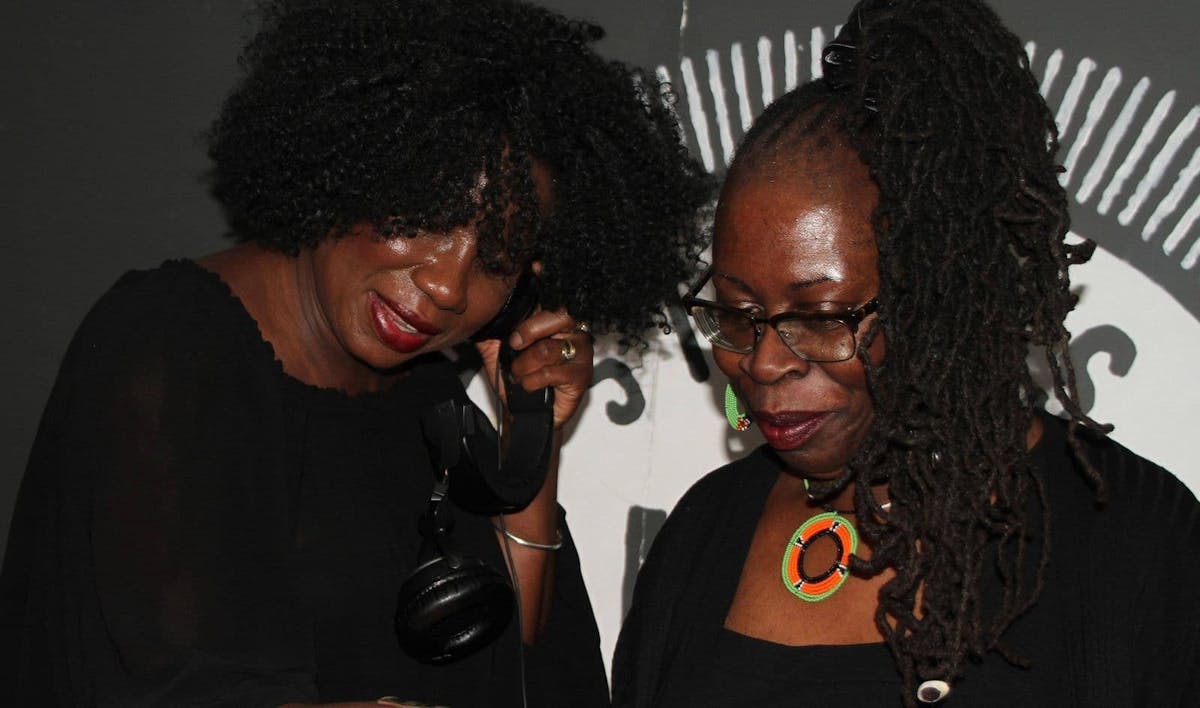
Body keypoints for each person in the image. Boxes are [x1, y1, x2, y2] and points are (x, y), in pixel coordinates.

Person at [0, 0, 710, 706]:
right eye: (427, 214)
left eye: (497, 258)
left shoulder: (425, 394)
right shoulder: (169, 342)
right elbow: (192, 686)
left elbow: (511, 661)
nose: (446, 285)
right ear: (351, 161)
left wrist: (532, 445)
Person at [612, 0, 1200, 706]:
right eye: (738, 314)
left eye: (821, 318)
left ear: (943, 292)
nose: (763, 363)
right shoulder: (705, 531)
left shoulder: (1133, 535)